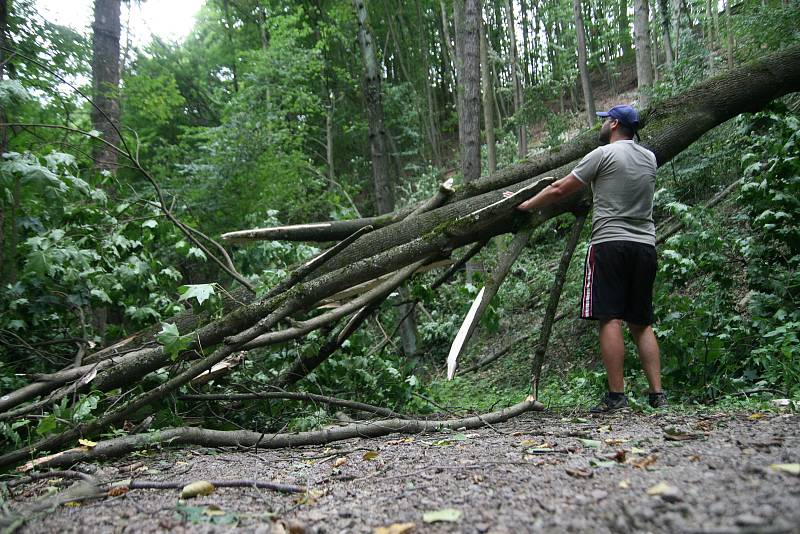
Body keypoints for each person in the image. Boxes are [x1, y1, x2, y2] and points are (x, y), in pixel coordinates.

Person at [504, 104, 667, 412]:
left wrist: (526, 205)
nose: (602, 126)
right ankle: (657, 394)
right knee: (641, 321)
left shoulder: (603, 154)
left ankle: (616, 396)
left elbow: (559, 188)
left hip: (609, 243)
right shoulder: (650, 158)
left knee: (610, 317)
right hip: (645, 245)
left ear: (615, 124)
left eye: (605, 121)